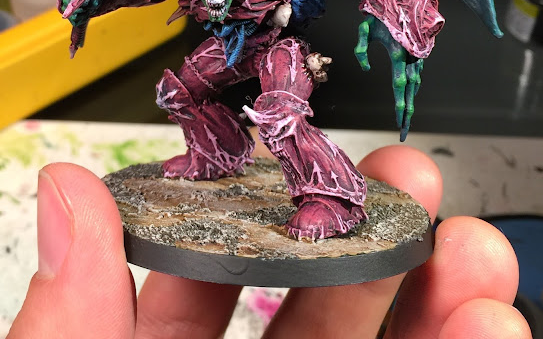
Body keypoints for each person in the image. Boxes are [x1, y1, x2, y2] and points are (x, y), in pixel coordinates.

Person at [8, 144, 531, 338]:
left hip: (279, 43)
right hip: (231, 35)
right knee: (183, 88)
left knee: (283, 118)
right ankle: (211, 152)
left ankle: (331, 195)